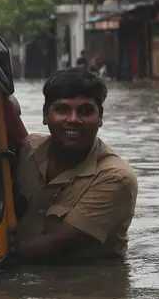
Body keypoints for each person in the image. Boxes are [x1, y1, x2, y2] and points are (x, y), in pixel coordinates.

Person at [12, 68, 137, 263]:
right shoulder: (28, 149)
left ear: (100, 118)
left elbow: (54, 244)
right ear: (45, 116)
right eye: (62, 109)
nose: (73, 120)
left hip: (87, 285)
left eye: (85, 111)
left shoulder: (115, 178)